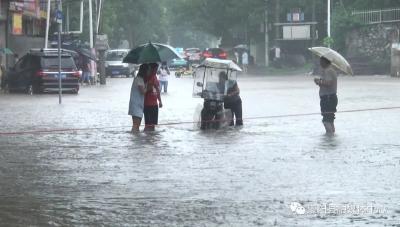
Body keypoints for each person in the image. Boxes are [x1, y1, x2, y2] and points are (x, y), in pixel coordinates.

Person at [314, 57, 338, 134]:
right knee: (330, 119)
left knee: (326, 120)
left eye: (321, 62)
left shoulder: (328, 70)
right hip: (330, 97)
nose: (320, 63)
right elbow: (327, 82)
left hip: (328, 98)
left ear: (325, 62)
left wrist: (319, 82)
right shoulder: (329, 70)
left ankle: (329, 138)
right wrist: (320, 81)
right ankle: (331, 138)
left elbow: (329, 83)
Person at [128, 64, 148, 132]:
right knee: (136, 125)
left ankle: (135, 138)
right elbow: (142, 91)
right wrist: (149, 87)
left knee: (136, 125)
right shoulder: (139, 79)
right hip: (136, 104)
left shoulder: (138, 78)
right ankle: (135, 138)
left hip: (136, 104)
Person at [144, 63, 163, 131]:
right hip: (147, 104)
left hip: (154, 104)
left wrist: (160, 101)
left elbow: (157, 90)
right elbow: (144, 91)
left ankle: (151, 139)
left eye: (156, 69)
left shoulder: (155, 77)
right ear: (151, 69)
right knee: (148, 124)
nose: (155, 70)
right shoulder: (146, 77)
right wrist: (151, 85)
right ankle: (147, 138)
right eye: (155, 69)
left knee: (153, 125)